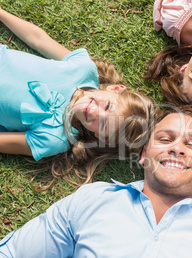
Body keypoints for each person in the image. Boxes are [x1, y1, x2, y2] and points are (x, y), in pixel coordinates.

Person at [0, 109, 192, 258]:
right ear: (144, 155)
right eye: (165, 138)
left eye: (191, 144)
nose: (177, 149)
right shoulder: (93, 199)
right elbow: (11, 257)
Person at [0, 7, 155, 187]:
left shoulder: (55, 138)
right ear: (116, 89)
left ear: (100, 137)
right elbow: (38, 39)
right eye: (108, 107)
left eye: (103, 124)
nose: (96, 113)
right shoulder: (82, 69)